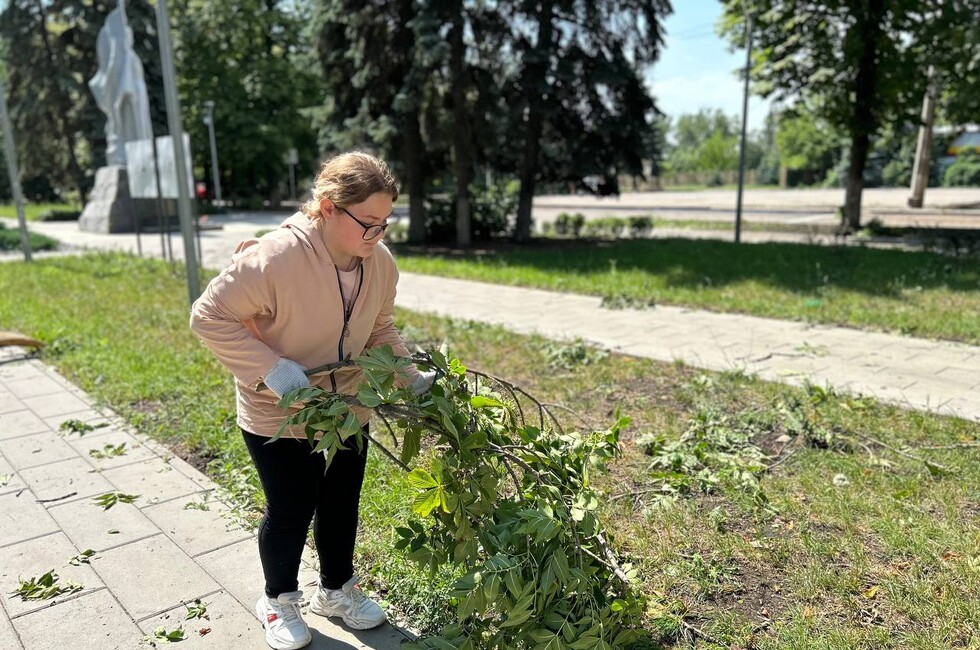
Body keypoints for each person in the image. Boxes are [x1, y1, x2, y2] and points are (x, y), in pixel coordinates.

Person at [189, 151, 433, 650]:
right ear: (326, 207)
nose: (377, 235)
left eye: (385, 224)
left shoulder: (379, 263)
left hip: (347, 408)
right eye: (367, 223)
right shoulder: (275, 257)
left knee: (342, 501)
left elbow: (379, 326)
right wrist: (274, 372)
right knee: (290, 508)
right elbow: (208, 316)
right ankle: (278, 600)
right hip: (277, 411)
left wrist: (410, 377)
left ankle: (337, 590)